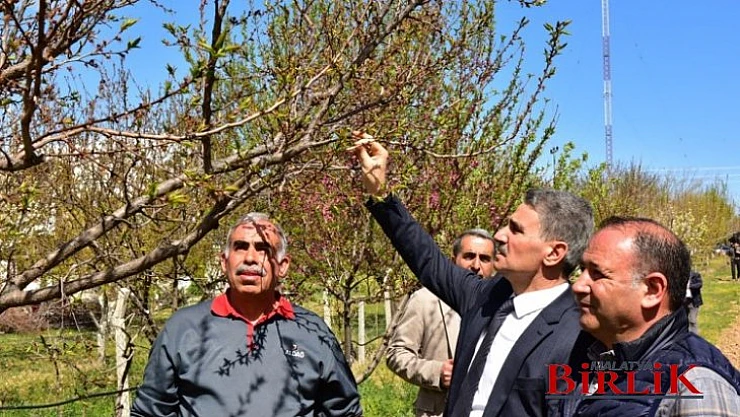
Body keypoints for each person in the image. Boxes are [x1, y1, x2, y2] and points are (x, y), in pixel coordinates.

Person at [349, 133, 595, 417]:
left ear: (553, 253)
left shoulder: (579, 332)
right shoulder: (486, 296)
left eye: (516, 230)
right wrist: (380, 192)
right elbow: (426, 259)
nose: (499, 235)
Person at [131, 213, 362, 417]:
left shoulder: (313, 332)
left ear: (282, 266)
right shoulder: (183, 329)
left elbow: (344, 411)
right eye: (240, 247)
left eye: (263, 249)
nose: (250, 258)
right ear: (224, 262)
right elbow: (151, 411)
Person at [561, 216, 740, 416]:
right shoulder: (585, 353)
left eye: (598, 274)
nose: (578, 286)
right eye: (582, 270)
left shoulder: (696, 385)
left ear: (652, 290)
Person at [387, 229, 496, 417]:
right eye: (469, 256)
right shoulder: (424, 300)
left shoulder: (505, 305)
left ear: (495, 265)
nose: (476, 265)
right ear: (453, 261)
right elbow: (396, 353)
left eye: (485, 259)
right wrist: (437, 372)